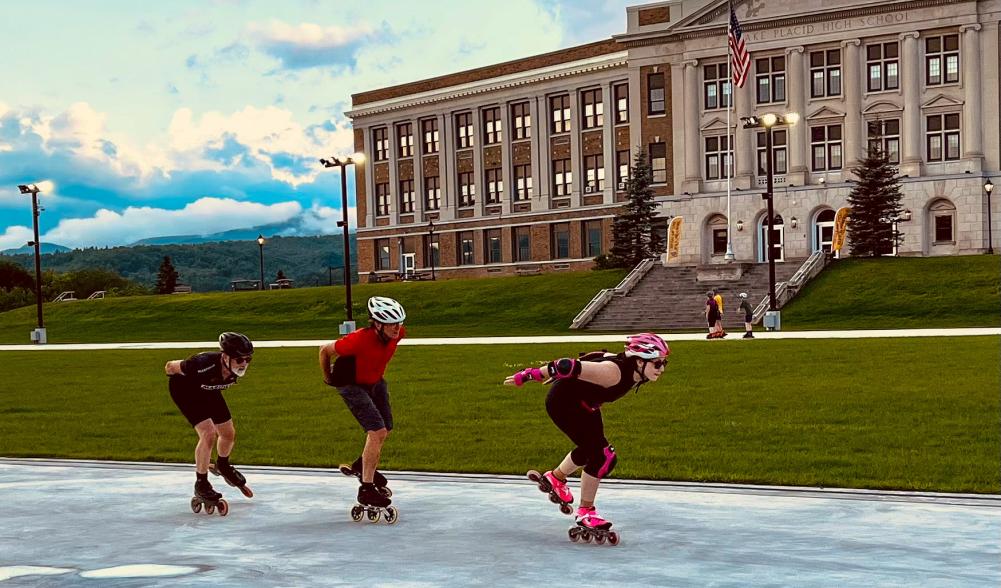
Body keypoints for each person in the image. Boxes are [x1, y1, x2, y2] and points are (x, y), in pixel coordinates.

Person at [504, 333, 670, 534]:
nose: (661, 369)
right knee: (604, 457)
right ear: (638, 361)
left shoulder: (632, 370)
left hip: (585, 405)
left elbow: (598, 355)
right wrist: (528, 375)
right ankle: (586, 512)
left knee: (592, 449)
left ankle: (555, 478)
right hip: (564, 404)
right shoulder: (613, 373)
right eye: (657, 363)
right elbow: (565, 366)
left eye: (664, 363)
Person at [319, 296, 406, 510]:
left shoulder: (398, 335)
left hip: (375, 381)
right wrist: (328, 377)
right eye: (392, 323)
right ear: (377, 324)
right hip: (351, 384)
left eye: (399, 322)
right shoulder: (358, 339)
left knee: (386, 428)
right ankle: (366, 489)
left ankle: (361, 465)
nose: (397, 328)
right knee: (376, 431)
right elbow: (324, 350)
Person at [166, 332, 255, 505]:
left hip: (208, 390)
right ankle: (201, 483)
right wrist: (187, 370)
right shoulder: (202, 364)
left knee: (228, 433)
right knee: (208, 434)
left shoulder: (231, 368)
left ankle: (223, 465)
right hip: (185, 392)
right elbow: (169, 367)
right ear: (225, 356)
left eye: (248, 359)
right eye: (239, 359)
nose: (244, 364)